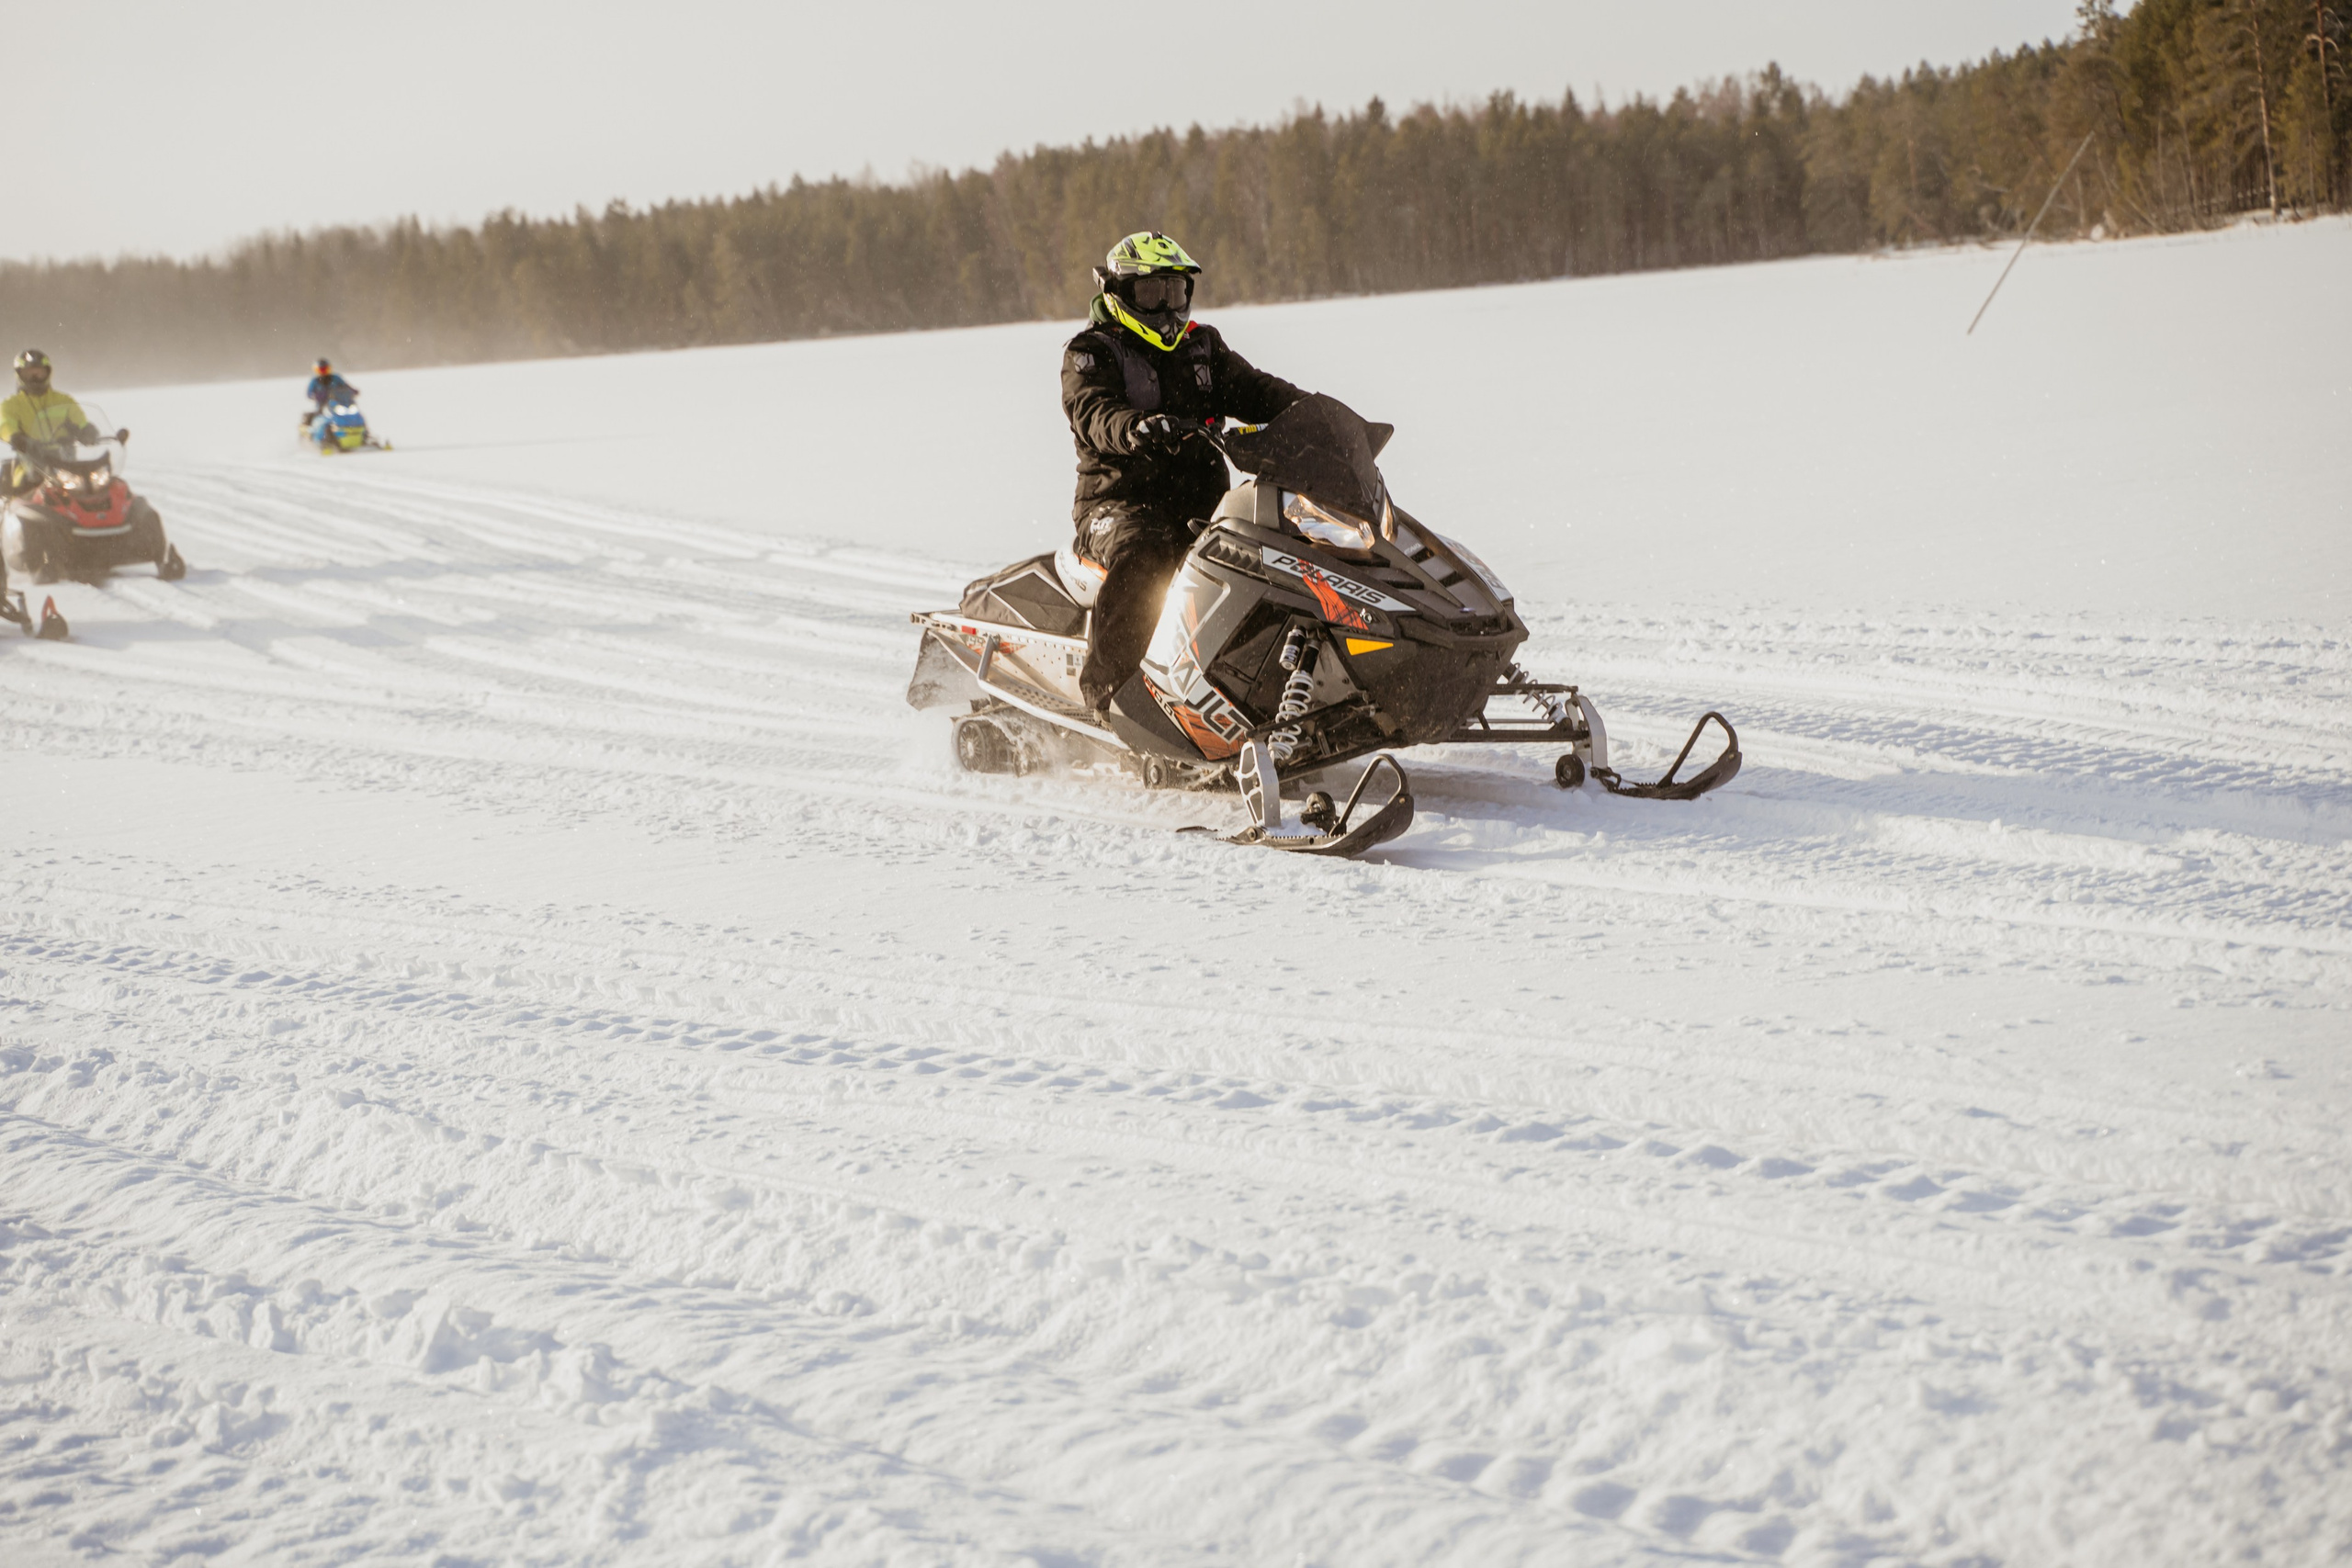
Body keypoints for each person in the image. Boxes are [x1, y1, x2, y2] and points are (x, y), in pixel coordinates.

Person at [1061, 231, 1307, 716]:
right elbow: (1092, 411)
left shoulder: (1203, 348)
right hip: (1117, 503)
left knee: (1271, 549)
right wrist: (1133, 427)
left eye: (1175, 292)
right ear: (1121, 294)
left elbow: (1257, 389)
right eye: (1152, 293)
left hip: (1199, 504)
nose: (1166, 307)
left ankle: (1261, 684)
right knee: (1146, 556)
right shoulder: (1090, 352)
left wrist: (1309, 412)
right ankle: (1110, 697)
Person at [4, 350, 119, 496]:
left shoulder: (64, 401)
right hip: (31, 466)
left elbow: (80, 421)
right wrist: (16, 437)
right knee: (27, 496)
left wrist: (87, 431)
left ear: (48, 373)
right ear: (19, 375)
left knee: (99, 491)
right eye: (29, 373)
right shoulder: (11, 405)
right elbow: (5, 423)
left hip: (67, 466)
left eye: (39, 373)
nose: (34, 378)